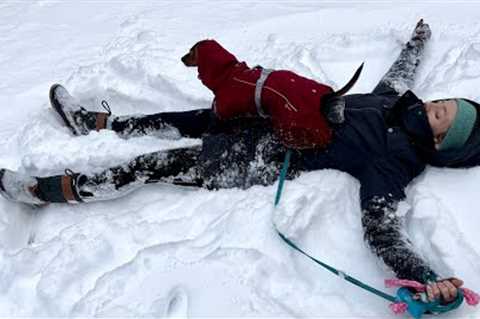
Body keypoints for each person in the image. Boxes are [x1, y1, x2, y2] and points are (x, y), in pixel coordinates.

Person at [0, 20, 475, 303]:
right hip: (267, 115)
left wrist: (425, 278)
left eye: (442, 117)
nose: (436, 107)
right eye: (444, 103)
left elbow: (382, 225)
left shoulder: (395, 161)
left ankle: (50, 190)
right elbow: (399, 72)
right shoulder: (395, 103)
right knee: (186, 118)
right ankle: (98, 126)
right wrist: (417, 41)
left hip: (253, 157)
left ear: (441, 143)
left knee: (157, 165)